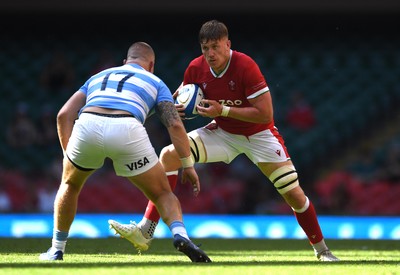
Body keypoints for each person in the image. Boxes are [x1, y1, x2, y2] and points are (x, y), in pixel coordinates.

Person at [109, 20, 340, 262]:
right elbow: (181, 95)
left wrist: (223, 110)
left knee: (294, 194)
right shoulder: (196, 68)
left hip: (259, 135)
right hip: (223, 132)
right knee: (169, 155)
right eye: (205, 48)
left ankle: (322, 250)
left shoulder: (245, 65)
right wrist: (176, 106)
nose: (210, 53)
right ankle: (145, 231)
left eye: (216, 47)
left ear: (228, 44)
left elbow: (265, 114)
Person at [39, 42, 211, 263]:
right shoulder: (156, 82)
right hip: (127, 128)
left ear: (125, 62)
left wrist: (68, 154)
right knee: (162, 194)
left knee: (70, 185)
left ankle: (56, 250)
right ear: (151, 65)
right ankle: (181, 235)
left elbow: (63, 115)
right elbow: (175, 126)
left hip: (88, 124)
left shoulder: (99, 76)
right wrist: (187, 165)